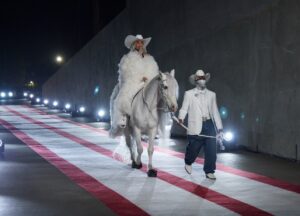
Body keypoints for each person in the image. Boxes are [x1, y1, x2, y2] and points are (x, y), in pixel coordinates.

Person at [110, 34, 159, 137]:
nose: (140, 44)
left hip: (147, 83)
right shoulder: (128, 57)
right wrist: (139, 78)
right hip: (133, 81)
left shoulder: (149, 58)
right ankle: (123, 116)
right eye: (138, 42)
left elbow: (154, 71)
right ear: (133, 44)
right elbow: (125, 71)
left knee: (158, 94)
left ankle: (155, 123)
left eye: (141, 42)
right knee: (126, 93)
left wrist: (149, 79)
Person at [178, 69, 223, 180]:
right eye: (199, 78)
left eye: (203, 78)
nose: (202, 80)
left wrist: (220, 128)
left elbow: (215, 111)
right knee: (193, 147)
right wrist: (181, 117)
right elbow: (184, 108)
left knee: (211, 149)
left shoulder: (212, 95)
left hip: (209, 124)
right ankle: (188, 162)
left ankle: (209, 170)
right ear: (196, 80)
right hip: (195, 124)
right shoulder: (189, 94)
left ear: (205, 80)